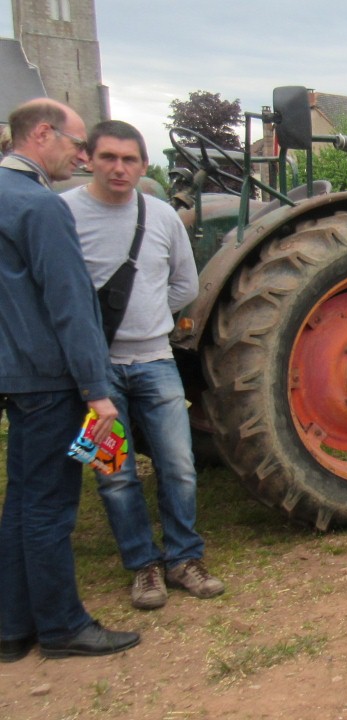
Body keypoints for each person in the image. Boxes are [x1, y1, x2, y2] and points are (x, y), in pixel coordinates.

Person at [0, 99, 140, 661]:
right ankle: (62, 627)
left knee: (20, 501)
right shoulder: (42, 206)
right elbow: (70, 305)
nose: (81, 156)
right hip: (50, 379)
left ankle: (12, 628)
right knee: (50, 507)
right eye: (78, 144)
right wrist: (97, 390)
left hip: (15, 374)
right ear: (41, 134)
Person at [63, 120, 224, 609]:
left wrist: (150, 318)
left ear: (142, 164)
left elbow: (185, 285)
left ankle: (184, 558)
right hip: (95, 373)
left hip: (155, 361)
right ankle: (143, 565)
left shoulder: (161, 216)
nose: (119, 168)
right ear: (88, 159)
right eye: (108, 157)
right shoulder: (64, 213)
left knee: (179, 466)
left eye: (129, 159)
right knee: (112, 473)